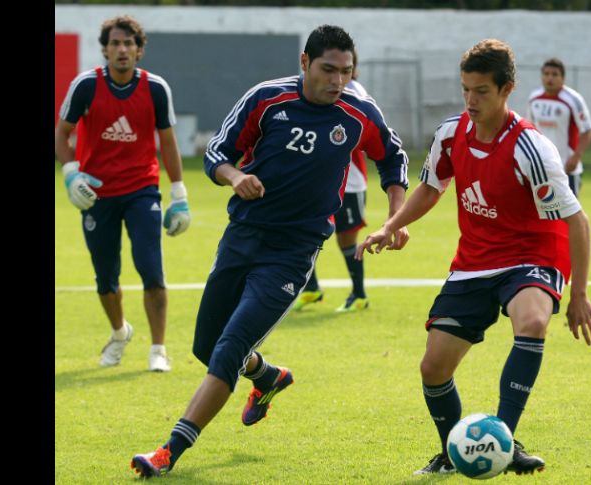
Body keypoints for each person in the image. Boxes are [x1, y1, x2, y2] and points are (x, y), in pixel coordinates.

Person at [130, 25, 409, 477]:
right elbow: (217, 153)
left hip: (293, 251)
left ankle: (168, 451)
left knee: (229, 347)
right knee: (207, 347)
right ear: (304, 63)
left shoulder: (358, 112)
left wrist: (395, 218)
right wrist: (236, 177)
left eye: (346, 71)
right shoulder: (266, 98)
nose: (338, 81)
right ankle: (267, 377)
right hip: (243, 237)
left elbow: (393, 159)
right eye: (328, 70)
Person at [358, 39, 591, 476]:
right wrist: (390, 226)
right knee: (433, 367)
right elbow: (432, 187)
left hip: (533, 254)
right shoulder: (451, 134)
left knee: (531, 322)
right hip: (474, 260)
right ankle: (454, 454)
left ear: (507, 89)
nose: (470, 100)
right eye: (465, 89)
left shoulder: (531, 149)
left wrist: (579, 293)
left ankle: (502, 442)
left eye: (481, 91)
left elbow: (577, 221)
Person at [55, 15, 190, 372]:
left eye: (129, 43)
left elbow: (168, 142)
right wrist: (71, 176)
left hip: (142, 190)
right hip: (96, 193)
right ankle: (119, 334)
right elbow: (62, 132)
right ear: (105, 49)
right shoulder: (85, 86)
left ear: (139, 50)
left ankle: (158, 349)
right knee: (105, 277)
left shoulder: (156, 88)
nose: (122, 50)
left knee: (151, 268)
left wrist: (179, 195)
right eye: (115, 43)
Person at [293, 76, 372, 313]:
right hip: (318, 180)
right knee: (304, 233)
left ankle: (359, 295)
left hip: (350, 182)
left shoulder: (354, 92)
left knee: (346, 239)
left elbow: (367, 131)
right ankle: (311, 288)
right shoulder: (313, 89)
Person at [526, 58, 591, 197]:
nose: (549, 78)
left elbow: (587, 130)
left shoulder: (573, 99)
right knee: (542, 214)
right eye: (546, 74)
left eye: (554, 74)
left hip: (566, 168)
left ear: (562, 78)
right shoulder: (534, 98)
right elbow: (529, 128)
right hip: (541, 167)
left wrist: (576, 157)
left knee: (570, 216)